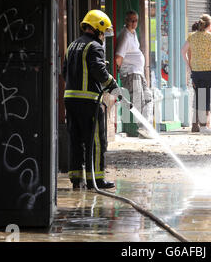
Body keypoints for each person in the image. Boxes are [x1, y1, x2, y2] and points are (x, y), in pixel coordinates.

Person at [62, 10, 119, 189]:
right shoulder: (94, 46)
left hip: (70, 99)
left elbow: (65, 72)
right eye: (103, 32)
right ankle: (97, 179)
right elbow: (98, 71)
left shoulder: (72, 45)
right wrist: (112, 84)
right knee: (95, 140)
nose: (103, 36)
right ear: (97, 28)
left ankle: (76, 178)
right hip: (88, 101)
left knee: (75, 139)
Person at [115, 11, 154, 139]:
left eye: (135, 20)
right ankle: (142, 129)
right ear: (126, 21)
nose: (133, 23)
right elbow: (118, 58)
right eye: (131, 20)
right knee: (138, 101)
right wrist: (120, 73)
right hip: (131, 73)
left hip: (138, 72)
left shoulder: (133, 33)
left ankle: (145, 128)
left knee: (148, 98)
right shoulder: (125, 36)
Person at [181, 14, 211, 133]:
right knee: (206, 97)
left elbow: (183, 51)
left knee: (198, 96)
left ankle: (195, 125)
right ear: (209, 25)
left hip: (196, 70)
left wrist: (189, 65)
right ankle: (204, 126)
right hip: (209, 69)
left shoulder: (191, 36)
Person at [182, 22, 202, 132]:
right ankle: (197, 123)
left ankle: (197, 123)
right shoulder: (194, 40)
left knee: (198, 96)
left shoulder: (191, 40)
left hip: (194, 70)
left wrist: (188, 67)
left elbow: (184, 53)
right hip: (197, 70)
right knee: (200, 96)